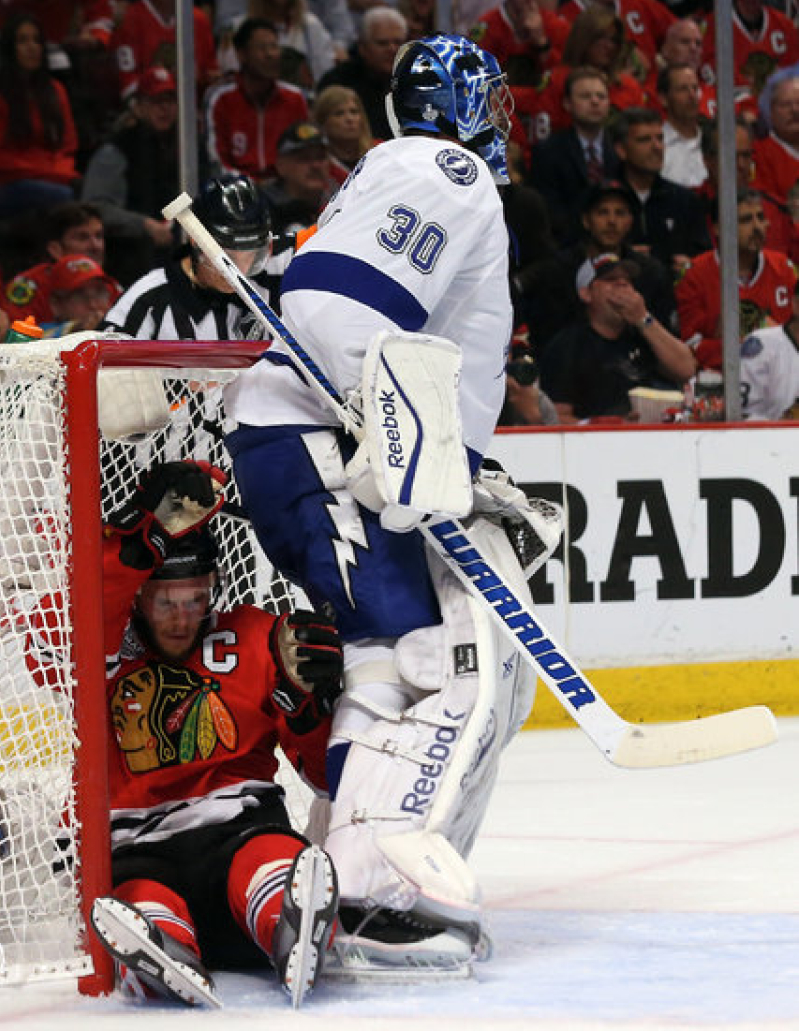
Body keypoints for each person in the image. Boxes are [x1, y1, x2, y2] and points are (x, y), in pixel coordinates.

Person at [223, 33, 554, 976]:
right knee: (423, 658)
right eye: (486, 98)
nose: (499, 120)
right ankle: (368, 891)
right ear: (454, 106)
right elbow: (329, 305)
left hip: (333, 444)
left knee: (400, 660)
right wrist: (394, 431)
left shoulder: (420, 174)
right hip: (319, 443)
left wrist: (451, 460)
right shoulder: (443, 169)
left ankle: (342, 873)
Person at [33, 459, 343, 1007]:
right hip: (134, 847)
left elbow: (324, 777)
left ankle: (285, 919)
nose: (181, 618)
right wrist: (134, 544)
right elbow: (46, 644)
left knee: (270, 858)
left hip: (239, 831)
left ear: (214, 589)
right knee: (139, 896)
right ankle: (159, 940)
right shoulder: (100, 645)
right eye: (165, 602)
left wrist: (306, 707)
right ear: (138, 595)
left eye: (195, 599)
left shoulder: (260, 638)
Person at [101, 173, 287, 341]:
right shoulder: (148, 300)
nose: (240, 272)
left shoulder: (277, 273)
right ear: (195, 240)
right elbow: (104, 362)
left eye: (251, 256)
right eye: (228, 257)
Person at [518, 178, 679, 354]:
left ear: (630, 222)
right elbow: (544, 335)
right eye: (602, 212)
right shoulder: (557, 270)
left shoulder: (651, 272)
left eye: (620, 213)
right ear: (586, 220)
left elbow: (666, 334)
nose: (612, 221)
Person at [539, 252, 695, 423]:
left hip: (648, 432)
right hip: (597, 436)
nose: (622, 284)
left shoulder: (641, 335)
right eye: (610, 279)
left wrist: (643, 318)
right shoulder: (567, 346)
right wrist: (612, 426)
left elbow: (686, 370)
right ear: (586, 293)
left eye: (628, 280)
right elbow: (556, 417)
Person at [676, 189, 798, 371]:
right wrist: (749, 346)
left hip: (781, 375)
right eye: (746, 220)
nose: (757, 227)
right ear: (718, 228)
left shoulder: (784, 269)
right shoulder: (693, 276)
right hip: (719, 378)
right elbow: (689, 349)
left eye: (760, 217)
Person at [81, 65, 180, 287]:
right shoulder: (117, 149)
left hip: (177, 246)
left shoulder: (185, 145)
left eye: (170, 101)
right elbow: (95, 207)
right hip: (131, 255)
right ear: (139, 107)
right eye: (156, 102)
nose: (164, 109)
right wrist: (144, 225)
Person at [205, 18, 309, 185]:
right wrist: (251, 184)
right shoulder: (221, 99)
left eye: (274, 47)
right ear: (241, 54)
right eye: (262, 48)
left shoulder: (295, 98)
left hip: (286, 188)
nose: (270, 54)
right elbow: (217, 161)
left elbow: (305, 151)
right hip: (237, 188)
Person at [527, 66, 621, 245]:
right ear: (567, 103)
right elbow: (549, 213)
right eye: (585, 96)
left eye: (601, 96)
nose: (595, 101)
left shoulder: (622, 149)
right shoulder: (548, 152)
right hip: (567, 246)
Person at [611, 106, 711, 273]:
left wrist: (691, 266)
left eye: (660, 138)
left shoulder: (685, 201)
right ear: (621, 150)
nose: (657, 147)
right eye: (644, 140)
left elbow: (705, 259)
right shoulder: (603, 199)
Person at [0, 12, 78, 219]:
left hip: (53, 175)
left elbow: (68, 146)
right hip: (10, 181)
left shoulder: (56, 90)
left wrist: (58, 173)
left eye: (37, 40)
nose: (32, 47)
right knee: (63, 196)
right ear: (9, 48)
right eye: (22, 41)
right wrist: (48, 173)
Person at [2, 201, 110, 324]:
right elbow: (12, 332)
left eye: (99, 236)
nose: (96, 246)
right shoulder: (29, 287)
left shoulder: (110, 284)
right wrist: (71, 329)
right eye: (82, 238)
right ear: (55, 249)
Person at [315, 7, 407, 140]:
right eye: (382, 43)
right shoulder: (338, 82)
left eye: (398, 42)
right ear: (362, 47)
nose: (392, 49)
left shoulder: (418, 82)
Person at [111, 0, 218, 101]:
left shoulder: (199, 19)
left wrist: (202, 78)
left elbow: (211, 75)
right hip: (148, 107)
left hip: (191, 107)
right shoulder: (130, 19)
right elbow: (127, 82)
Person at [739, 277, 799, 420]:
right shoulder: (762, 344)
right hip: (768, 433)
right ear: (796, 305)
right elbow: (742, 413)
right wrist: (781, 426)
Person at [262, 121, 337, 234]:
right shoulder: (263, 210)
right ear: (281, 166)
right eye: (304, 158)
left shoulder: (342, 200)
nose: (315, 166)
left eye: (321, 157)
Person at [312, 85, 375, 184]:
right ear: (323, 122)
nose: (349, 119)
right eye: (339, 113)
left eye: (354, 112)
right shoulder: (318, 165)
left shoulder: (380, 151)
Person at [41, 253, 118, 334]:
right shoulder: (39, 334)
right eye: (79, 296)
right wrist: (77, 329)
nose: (93, 305)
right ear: (56, 304)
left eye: (100, 292)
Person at [657, 63, 707, 188]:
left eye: (695, 88)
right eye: (683, 89)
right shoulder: (656, 146)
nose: (692, 95)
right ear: (664, 99)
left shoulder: (713, 142)